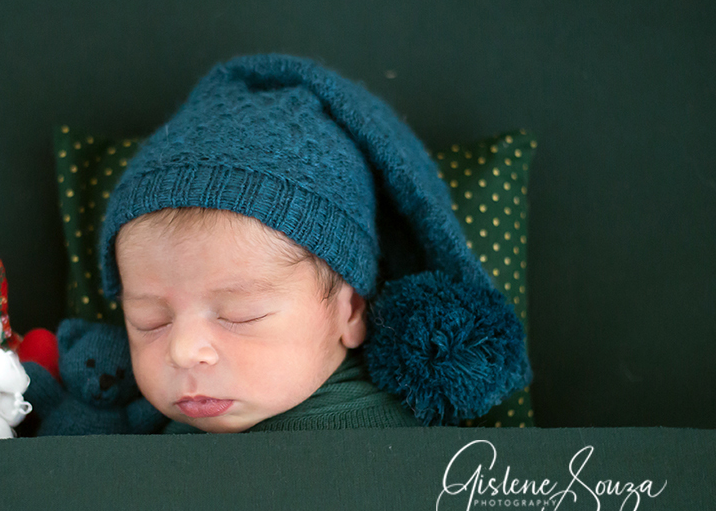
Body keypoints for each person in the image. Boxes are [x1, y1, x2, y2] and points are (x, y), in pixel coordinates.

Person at [98, 54, 530, 433]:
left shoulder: (372, 439)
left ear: (352, 310)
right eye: (148, 321)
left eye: (240, 315)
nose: (183, 351)